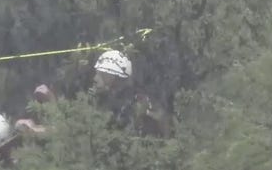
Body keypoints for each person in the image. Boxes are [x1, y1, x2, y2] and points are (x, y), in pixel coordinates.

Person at [14, 49, 169, 139]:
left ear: (111, 76)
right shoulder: (125, 99)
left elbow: (75, 134)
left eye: (99, 74)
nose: (95, 79)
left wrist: (34, 129)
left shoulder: (123, 106)